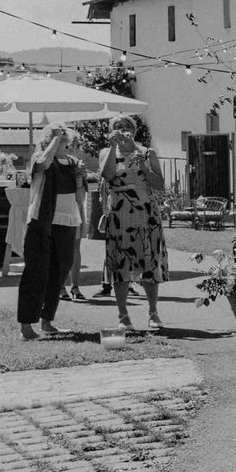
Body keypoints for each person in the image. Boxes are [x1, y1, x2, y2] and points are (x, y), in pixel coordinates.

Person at [94, 117, 167, 333]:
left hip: (146, 212)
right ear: (111, 132)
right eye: (117, 127)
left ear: (134, 131)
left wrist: (143, 166)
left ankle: (153, 312)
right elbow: (107, 175)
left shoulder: (147, 152)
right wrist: (113, 146)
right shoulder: (106, 153)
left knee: (149, 260)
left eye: (127, 127)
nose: (123, 130)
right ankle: (123, 315)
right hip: (120, 213)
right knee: (121, 262)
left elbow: (160, 184)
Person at [18, 126, 86, 339]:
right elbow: (44, 165)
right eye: (58, 139)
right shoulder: (40, 157)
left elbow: (80, 197)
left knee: (60, 270)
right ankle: (26, 326)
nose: (63, 142)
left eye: (65, 140)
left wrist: (79, 178)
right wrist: (55, 138)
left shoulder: (74, 163)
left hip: (67, 221)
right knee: (36, 271)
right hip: (42, 220)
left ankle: (47, 321)